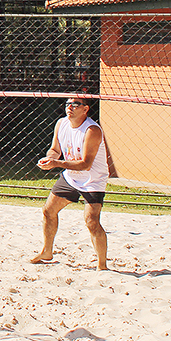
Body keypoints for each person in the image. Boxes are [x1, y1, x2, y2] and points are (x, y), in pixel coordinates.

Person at [31, 96, 110, 270]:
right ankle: (47, 251)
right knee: (48, 211)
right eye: (67, 104)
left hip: (92, 180)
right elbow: (55, 149)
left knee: (92, 221)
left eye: (75, 104)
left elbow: (85, 164)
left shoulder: (92, 130)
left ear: (85, 109)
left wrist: (57, 164)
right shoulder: (61, 124)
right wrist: (49, 159)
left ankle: (102, 265)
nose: (70, 107)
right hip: (71, 177)